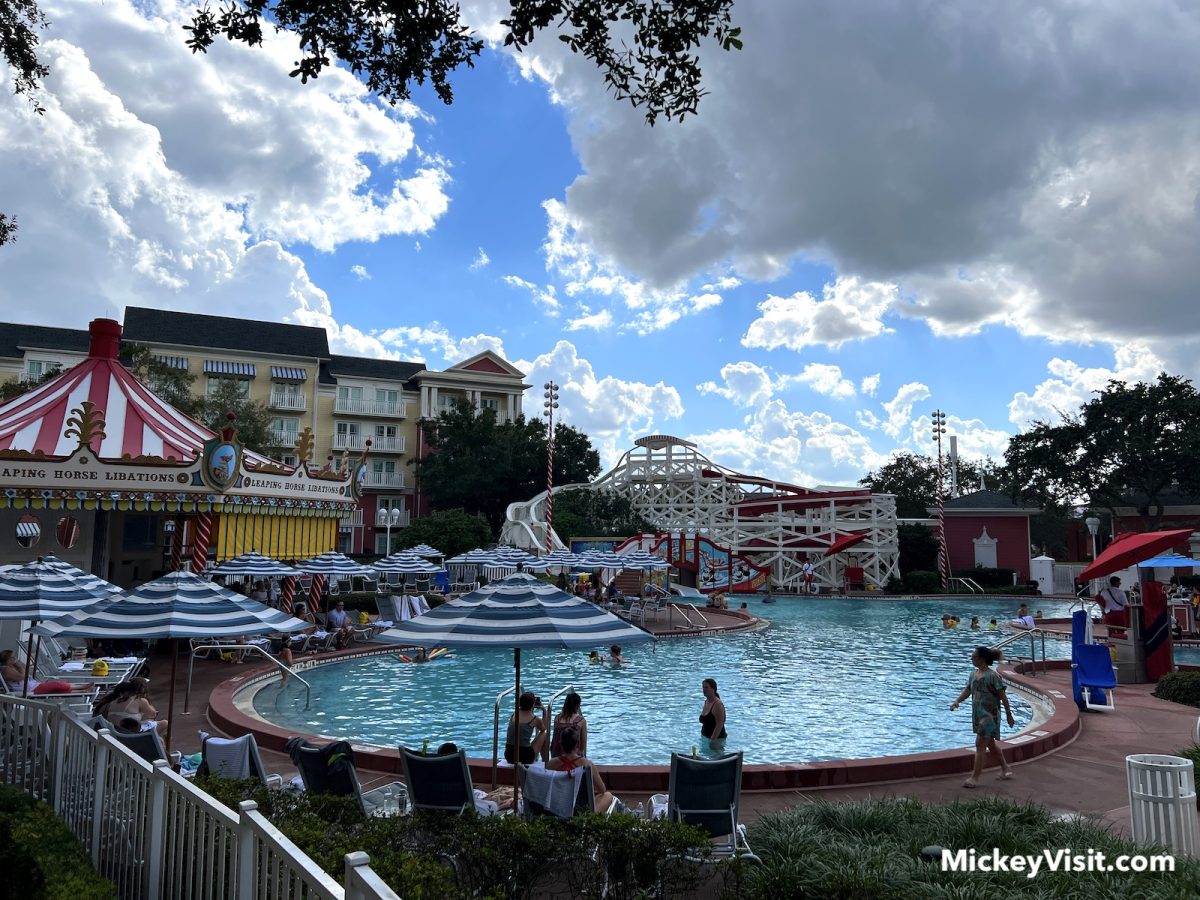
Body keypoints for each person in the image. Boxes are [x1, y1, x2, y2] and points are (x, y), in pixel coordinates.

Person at [949, 646, 1015, 788]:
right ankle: (1006, 769)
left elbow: (1003, 696)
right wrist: (957, 701)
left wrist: (1009, 714)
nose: (971, 659)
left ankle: (975, 778)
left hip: (989, 716)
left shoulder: (993, 676)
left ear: (982, 659)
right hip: (978, 715)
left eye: (974, 657)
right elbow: (968, 690)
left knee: (980, 744)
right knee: (990, 744)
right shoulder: (974, 674)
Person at [545, 726, 615, 813]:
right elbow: (602, 789)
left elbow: (546, 789)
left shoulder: (551, 764)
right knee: (607, 795)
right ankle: (588, 819)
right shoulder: (587, 764)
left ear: (561, 744)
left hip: (558, 809)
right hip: (580, 810)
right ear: (577, 744)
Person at [94, 677, 166, 736]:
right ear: (143, 689)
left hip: (114, 734)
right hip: (128, 735)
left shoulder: (114, 701)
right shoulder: (140, 700)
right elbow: (153, 714)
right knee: (164, 723)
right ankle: (156, 745)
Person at [504, 691, 548, 765]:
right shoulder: (534, 719)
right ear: (533, 704)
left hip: (509, 755)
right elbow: (544, 728)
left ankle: (544, 761)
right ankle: (545, 761)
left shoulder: (514, 715)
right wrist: (544, 710)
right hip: (525, 757)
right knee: (544, 733)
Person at [550, 691, 588, 758]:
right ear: (578, 705)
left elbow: (554, 742)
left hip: (557, 756)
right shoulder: (581, 721)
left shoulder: (557, 719)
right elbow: (583, 746)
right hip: (573, 758)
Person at [699, 677, 727, 750]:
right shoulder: (706, 702)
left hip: (716, 740)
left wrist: (712, 741)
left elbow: (719, 724)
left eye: (706, 687)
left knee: (718, 759)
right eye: (703, 687)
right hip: (705, 738)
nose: (704, 690)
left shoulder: (717, 704)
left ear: (713, 689)